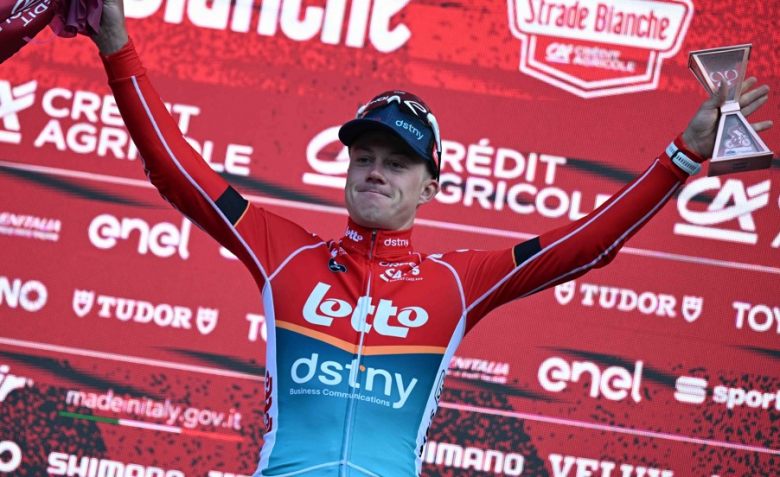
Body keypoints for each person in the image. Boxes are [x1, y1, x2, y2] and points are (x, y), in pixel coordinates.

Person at [88, 1, 772, 476]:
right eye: (363, 157)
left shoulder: (455, 282)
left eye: (397, 162)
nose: (374, 171)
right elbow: (176, 170)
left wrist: (680, 156)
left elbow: (585, 244)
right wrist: (116, 39)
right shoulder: (284, 251)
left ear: (430, 188)